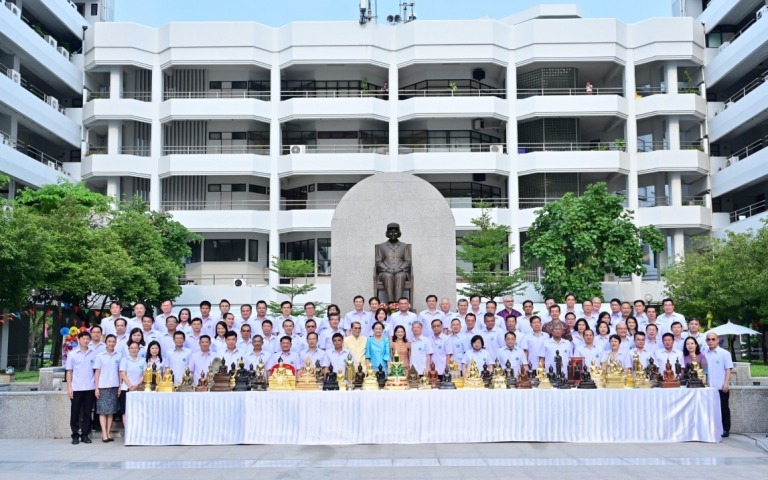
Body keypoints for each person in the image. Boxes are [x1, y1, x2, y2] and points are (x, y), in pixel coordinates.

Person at [66, 331, 96, 445]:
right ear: (79, 339)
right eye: (83, 338)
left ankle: (85, 435)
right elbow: (69, 371)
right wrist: (69, 387)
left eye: (88, 339)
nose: (86, 341)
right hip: (76, 387)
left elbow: (96, 371)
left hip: (90, 387)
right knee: (75, 413)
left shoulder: (93, 353)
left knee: (87, 413)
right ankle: (75, 435)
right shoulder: (72, 354)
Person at [703, 332, 733, 437]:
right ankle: (713, 428)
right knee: (710, 409)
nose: (711, 341)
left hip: (721, 386)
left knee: (723, 408)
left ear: (717, 340)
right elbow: (704, 370)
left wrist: (726, 383)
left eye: (713, 339)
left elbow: (728, 369)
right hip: (708, 387)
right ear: (706, 341)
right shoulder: (704, 353)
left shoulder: (724, 353)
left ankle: (725, 429)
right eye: (708, 339)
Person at [375, 222, 411, 304]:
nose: (393, 234)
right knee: (388, 276)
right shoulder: (381, 246)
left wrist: (400, 269)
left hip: (401, 271)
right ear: (387, 234)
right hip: (385, 272)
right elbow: (378, 261)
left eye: (395, 232)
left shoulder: (404, 246)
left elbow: (408, 261)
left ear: (399, 233)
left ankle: (399, 302)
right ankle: (391, 302)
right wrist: (387, 269)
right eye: (391, 232)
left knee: (400, 275)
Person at [93, 334, 120, 442]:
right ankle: (104, 433)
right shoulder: (100, 355)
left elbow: (120, 372)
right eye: (109, 341)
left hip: (114, 386)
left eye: (113, 341)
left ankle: (108, 433)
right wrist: (96, 388)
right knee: (103, 411)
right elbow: (97, 372)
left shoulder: (119, 355)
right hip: (102, 386)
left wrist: (120, 386)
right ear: (106, 342)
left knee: (111, 411)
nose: (111, 343)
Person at [118, 340, 145, 426]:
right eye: (132, 348)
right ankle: (127, 431)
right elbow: (123, 374)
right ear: (128, 349)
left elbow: (144, 375)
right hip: (126, 388)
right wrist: (130, 386)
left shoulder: (143, 360)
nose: (134, 350)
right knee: (125, 411)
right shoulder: (124, 360)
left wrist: (137, 385)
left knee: (137, 410)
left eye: (136, 348)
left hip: (138, 389)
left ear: (139, 349)